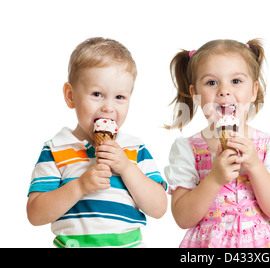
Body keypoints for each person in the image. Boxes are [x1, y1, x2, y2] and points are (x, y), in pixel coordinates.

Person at [27, 37, 168, 248]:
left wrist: (126, 168)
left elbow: (159, 208)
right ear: (70, 96)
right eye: (97, 94)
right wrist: (79, 186)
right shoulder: (56, 148)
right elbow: (35, 215)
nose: (108, 107)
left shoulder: (134, 148)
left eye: (119, 97)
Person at [164, 39, 270, 248]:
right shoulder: (188, 149)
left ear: (253, 91)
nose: (224, 90)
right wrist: (214, 178)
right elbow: (182, 218)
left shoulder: (269, 144)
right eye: (211, 82)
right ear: (195, 95)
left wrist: (254, 166)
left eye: (235, 81)